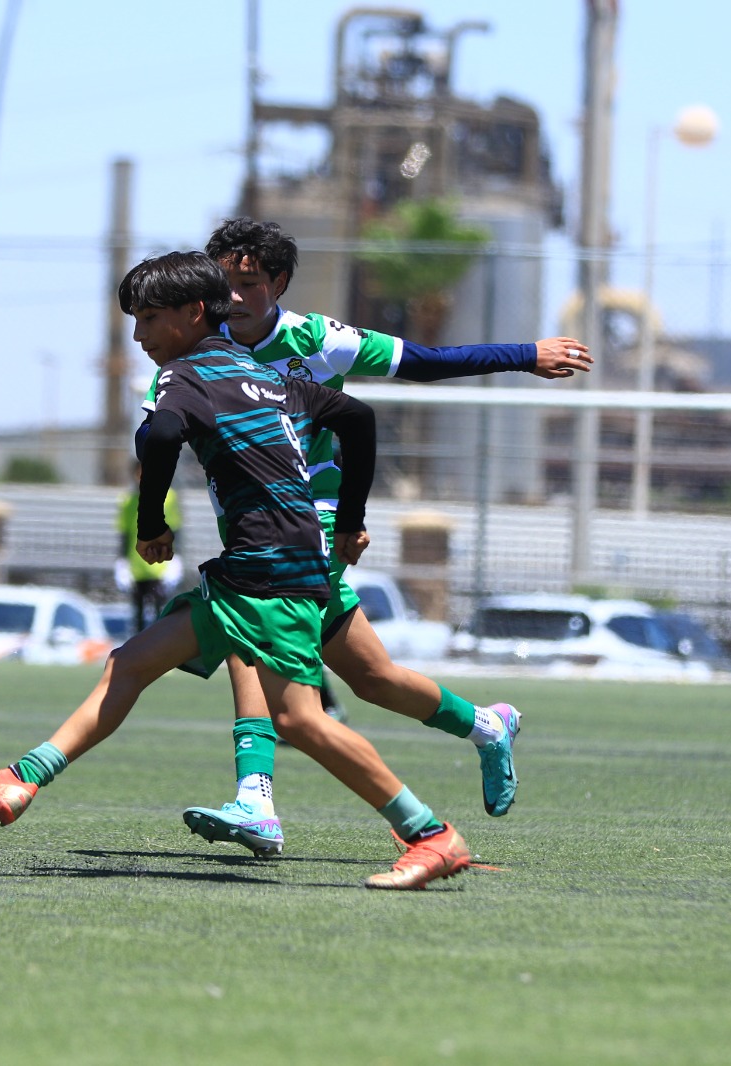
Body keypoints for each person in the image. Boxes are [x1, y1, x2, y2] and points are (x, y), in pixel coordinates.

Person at [0, 250, 473, 890]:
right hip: (259, 564)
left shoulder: (182, 377)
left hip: (270, 569)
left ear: (194, 312)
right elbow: (357, 417)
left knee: (299, 718)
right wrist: (349, 517)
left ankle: (431, 835)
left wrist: (150, 523)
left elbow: (159, 438)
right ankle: (23, 779)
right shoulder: (260, 372)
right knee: (131, 662)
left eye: (150, 318)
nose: (139, 335)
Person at [172, 218, 593, 856]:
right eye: (223, 282)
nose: (233, 295)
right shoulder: (199, 346)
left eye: (249, 282)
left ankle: (256, 801)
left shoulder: (318, 340)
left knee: (249, 631)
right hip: (248, 521)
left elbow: (426, 362)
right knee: (372, 678)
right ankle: (487, 726)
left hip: (306, 521)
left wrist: (524, 354)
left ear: (279, 283)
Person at [115, 462, 182, 633]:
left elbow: (175, 529)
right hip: (136, 568)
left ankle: (162, 647)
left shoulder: (169, 497)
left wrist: (176, 559)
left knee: (161, 613)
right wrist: (122, 562)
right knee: (137, 614)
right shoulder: (127, 501)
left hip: (161, 565)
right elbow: (125, 534)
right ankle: (138, 647)